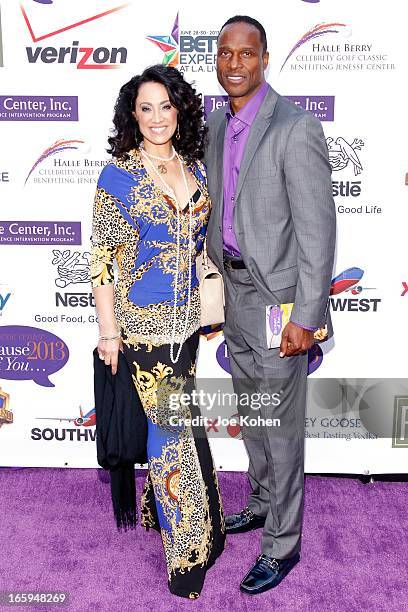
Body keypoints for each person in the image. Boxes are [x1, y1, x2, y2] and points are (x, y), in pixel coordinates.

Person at [205, 16, 336, 595]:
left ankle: (283, 544)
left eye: (247, 54)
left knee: (281, 428)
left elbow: (317, 231)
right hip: (234, 292)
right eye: (225, 53)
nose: (235, 64)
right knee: (255, 418)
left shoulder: (295, 126)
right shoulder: (214, 123)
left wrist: (308, 316)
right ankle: (260, 503)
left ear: (265, 57)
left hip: (280, 301)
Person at [90, 65, 225, 599]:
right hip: (143, 332)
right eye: (144, 108)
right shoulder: (118, 176)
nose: (155, 117)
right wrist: (108, 333)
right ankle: (187, 556)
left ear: (180, 110)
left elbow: (198, 245)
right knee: (171, 440)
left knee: (182, 427)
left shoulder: (194, 166)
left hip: (187, 324)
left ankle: (171, 517)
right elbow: (103, 261)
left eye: (164, 105)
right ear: (132, 115)